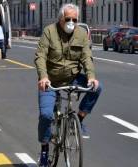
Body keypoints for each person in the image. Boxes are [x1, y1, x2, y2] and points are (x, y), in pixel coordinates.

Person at [34, 3, 102, 166]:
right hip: (51, 80)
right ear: (60, 19)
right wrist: (43, 77)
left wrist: (91, 77)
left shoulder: (81, 33)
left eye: (74, 19)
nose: (71, 22)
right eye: (68, 19)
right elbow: (40, 56)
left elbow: (86, 57)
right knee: (46, 115)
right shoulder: (49, 31)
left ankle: (78, 119)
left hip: (73, 77)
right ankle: (44, 149)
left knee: (97, 88)